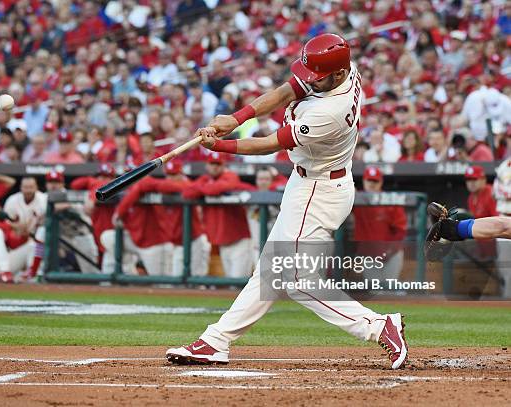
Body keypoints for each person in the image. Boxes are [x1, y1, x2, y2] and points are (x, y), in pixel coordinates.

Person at [166, 33, 408, 369]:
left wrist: (218, 146)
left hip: (319, 192)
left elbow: (268, 144)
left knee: (295, 281)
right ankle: (215, 341)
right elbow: (286, 91)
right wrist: (235, 119)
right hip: (308, 181)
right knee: (269, 272)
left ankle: (378, 325)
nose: (309, 80)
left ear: (337, 74)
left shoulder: (330, 111)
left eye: (317, 76)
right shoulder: (340, 72)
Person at [182, 153, 253, 278]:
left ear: (223, 165)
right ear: (207, 165)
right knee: (230, 282)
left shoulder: (231, 176)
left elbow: (214, 189)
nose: (214, 167)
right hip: (223, 243)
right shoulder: (205, 179)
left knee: (237, 284)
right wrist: (205, 186)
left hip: (239, 241)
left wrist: (202, 188)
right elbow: (187, 192)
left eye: (218, 164)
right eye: (212, 164)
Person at [102, 173, 172, 276]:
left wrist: (120, 211)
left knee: (163, 285)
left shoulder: (146, 183)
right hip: (136, 241)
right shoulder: (127, 191)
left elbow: (143, 185)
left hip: (154, 246)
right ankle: (125, 272)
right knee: (108, 237)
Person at [153, 160, 210, 277]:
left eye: (174, 175)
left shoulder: (188, 185)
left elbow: (188, 188)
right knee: (176, 278)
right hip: (178, 242)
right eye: (168, 174)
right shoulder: (170, 187)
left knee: (196, 279)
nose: (170, 178)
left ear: (181, 174)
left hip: (195, 240)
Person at [352, 166, 407, 283]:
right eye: (369, 180)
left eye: (375, 181)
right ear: (364, 181)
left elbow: (400, 230)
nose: (372, 184)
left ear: (381, 182)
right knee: (374, 291)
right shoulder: (356, 199)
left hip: (391, 254)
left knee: (389, 290)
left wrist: (390, 251)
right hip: (369, 254)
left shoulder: (391, 200)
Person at [42, 170, 99, 274]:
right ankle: (39, 272)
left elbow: (86, 211)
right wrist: (62, 206)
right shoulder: (42, 197)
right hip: (60, 239)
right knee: (41, 233)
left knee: (91, 272)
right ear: (46, 184)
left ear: (62, 184)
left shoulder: (72, 195)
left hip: (80, 235)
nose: (53, 185)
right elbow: (44, 212)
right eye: (51, 182)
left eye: (57, 182)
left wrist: (69, 205)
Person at [3, 176, 48, 278]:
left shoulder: (43, 199)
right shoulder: (12, 200)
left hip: (36, 242)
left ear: (36, 187)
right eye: (25, 187)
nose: (28, 190)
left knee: (40, 235)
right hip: (17, 244)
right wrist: (17, 227)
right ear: (21, 188)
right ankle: (28, 274)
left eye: (31, 187)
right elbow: (5, 224)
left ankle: (35, 272)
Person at [70, 164, 117, 255]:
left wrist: (93, 196)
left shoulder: (118, 188)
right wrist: (91, 181)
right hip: (96, 233)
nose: (103, 179)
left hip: (112, 234)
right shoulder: (94, 184)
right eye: (101, 176)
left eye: (108, 177)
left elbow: (104, 186)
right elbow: (74, 184)